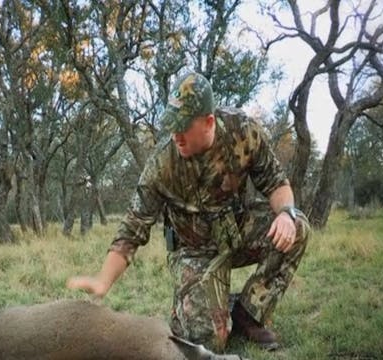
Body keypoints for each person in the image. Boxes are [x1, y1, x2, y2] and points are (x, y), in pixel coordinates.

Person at [67, 72, 310, 352]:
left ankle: (248, 315)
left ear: (208, 122)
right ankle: (208, 305)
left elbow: (276, 182)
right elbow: (133, 227)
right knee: (205, 342)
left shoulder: (243, 131)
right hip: (193, 252)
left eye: (183, 126)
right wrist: (102, 281)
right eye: (172, 126)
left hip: (238, 231)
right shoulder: (162, 164)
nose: (176, 136)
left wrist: (285, 213)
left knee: (298, 225)